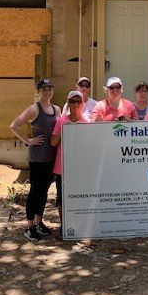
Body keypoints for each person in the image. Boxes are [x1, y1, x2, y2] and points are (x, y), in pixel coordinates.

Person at [9, 78, 60, 241]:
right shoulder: (34, 109)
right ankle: (29, 226)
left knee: (44, 191)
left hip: (52, 156)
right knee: (35, 191)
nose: (47, 92)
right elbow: (14, 125)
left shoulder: (56, 108)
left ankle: (39, 222)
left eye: (50, 88)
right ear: (38, 91)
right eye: (44, 89)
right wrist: (28, 140)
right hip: (38, 157)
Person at [51, 91, 91, 229]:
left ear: (82, 104)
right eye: (72, 101)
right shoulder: (61, 121)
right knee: (62, 197)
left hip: (79, 167)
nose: (75, 104)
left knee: (79, 196)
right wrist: (64, 129)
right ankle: (64, 226)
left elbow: (91, 144)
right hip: (62, 166)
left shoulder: (86, 121)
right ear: (68, 104)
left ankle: (78, 224)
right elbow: (53, 142)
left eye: (78, 101)